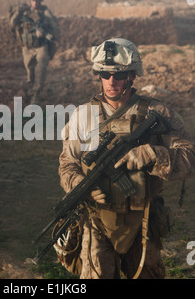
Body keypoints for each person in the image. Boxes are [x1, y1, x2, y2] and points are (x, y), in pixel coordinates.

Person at [58, 38, 195, 279]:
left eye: (118, 75)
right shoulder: (82, 116)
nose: (111, 81)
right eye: (105, 74)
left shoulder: (158, 114)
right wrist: (79, 185)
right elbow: (67, 164)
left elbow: (190, 157)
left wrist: (152, 154)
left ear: (132, 75)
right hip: (96, 221)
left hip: (143, 223)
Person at [9, 0, 60, 104]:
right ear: (29, 1)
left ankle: (35, 95)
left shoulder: (45, 12)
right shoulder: (23, 11)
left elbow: (55, 28)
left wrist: (45, 32)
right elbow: (12, 26)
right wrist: (17, 14)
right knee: (30, 72)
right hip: (27, 48)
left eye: (37, 1)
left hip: (41, 46)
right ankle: (29, 90)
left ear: (41, 1)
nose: (35, 3)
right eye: (33, 1)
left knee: (40, 69)